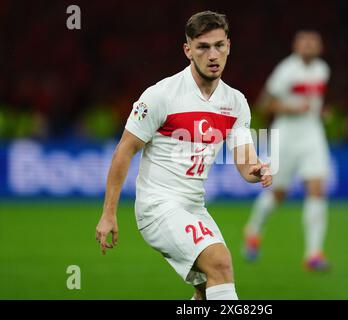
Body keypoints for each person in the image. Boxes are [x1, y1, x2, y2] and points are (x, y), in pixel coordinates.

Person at [95, 11, 271, 300]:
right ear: (188, 50)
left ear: (229, 45)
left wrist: (257, 170)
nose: (213, 55)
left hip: (194, 208)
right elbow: (124, 151)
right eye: (203, 47)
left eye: (219, 45)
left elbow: (245, 162)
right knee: (220, 263)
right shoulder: (161, 95)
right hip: (158, 205)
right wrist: (108, 213)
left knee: (208, 288)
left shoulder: (236, 102)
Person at [243, 31, 331, 271]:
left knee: (317, 188)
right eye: (304, 43)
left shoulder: (323, 69)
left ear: (320, 47)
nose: (309, 46)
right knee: (278, 193)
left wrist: (320, 112)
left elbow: (315, 101)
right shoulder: (286, 71)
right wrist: (292, 108)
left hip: (312, 134)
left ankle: (313, 254)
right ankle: (253, 229)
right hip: (286, 136)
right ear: (296, 46)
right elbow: (264, 104)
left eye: (313, 43)